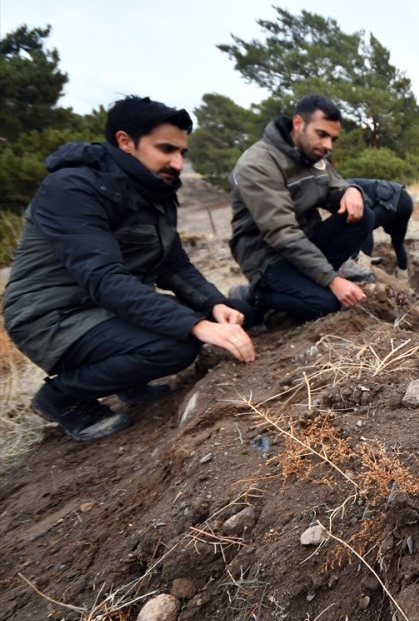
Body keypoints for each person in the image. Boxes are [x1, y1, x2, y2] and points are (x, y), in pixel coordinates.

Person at [3, 96, 256, 442]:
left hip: (106, 307)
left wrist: (214, 305)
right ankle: (63, 396)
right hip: (54, 315)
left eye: (182, 152)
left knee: (224, 312)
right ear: (125, 142)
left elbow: (174, 264)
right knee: (175, 346)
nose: (178, 163)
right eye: (167, 149)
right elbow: (103, 279)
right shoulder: (72, 188)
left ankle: (129, 380)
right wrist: (194, 325)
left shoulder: (155, 191)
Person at [228, 94, 377, 321]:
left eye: (333, 139)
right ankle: (256, 294)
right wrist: (332, 280)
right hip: (267, 257)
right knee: (325, 304)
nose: (328, 146)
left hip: (304, 241)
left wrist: (352, 190)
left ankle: (308, 280)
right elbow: (282, 233)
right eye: (322, 134)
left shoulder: (311, 154)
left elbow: (337, 188)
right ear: (298, 124)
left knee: (363, 216)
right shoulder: (258, 164)